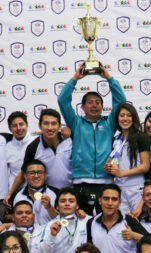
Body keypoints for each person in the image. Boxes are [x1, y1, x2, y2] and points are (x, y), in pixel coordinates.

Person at [58, 64, 126, 214]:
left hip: (105, 181)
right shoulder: (76, 123)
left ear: (103, 107)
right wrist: (75, 78)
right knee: (81, 224)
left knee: (105, 221)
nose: (94, 105)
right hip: (80, 181)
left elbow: (121, 102)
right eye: (90, 102)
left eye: (98, 102)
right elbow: (62, 101)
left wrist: (108, 78)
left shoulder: (109, 123)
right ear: (82, 107)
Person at [87, 184, 148, 253]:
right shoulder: (91, 223)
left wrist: (134, 236)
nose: (110, 203)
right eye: (106, 199)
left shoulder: (129, 220)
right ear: (100, 201)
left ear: (119, 202)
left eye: (114, 199)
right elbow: (89, 251)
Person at [10, 108, 73, 196]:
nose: (50, 128)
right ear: (40, 125)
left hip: (71, 194)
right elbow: (23, 172)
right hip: (48, 196)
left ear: (59, 126)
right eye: (46, 124)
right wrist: (10, 194)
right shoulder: (33, 147)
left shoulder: (70, 139)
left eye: (54, 124)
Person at [105, 103, 151, 213]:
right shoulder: (116, 139)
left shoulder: (141, 137)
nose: (125, 119)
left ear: (133, 118)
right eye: (122, 116)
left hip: (136, 188)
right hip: (119, 188)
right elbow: (115, 160)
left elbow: (145, 166)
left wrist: (121, 173)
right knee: (122, 223)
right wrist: (109, 167)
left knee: (137, 222)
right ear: (117, 119)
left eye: (129, 115)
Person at [41, 188, 92, 253]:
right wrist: (52, 235)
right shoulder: (50, 225)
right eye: (63, 201)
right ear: (57, 206)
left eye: (71, 201)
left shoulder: (87, 221)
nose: (67, 204)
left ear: (77, 206)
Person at [7, 159, 59, 226]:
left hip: (51, 233)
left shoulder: (55, 193)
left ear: (45, 175)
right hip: (25, 234)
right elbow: (8, 217)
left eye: (40, 172)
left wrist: (49, 207)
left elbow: (63, 219)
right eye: (32, 173)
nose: (36, 176)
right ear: (25, 176)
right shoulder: (15, 195)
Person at [5, 111, 36, 191]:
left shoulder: (37, 141)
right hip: (15, 193)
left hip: (36, 191)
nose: (18, 128)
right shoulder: (6, 147)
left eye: (21, 124)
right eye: (14, 126)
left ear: (27, 125)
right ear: (10, 128)